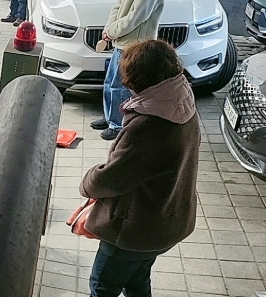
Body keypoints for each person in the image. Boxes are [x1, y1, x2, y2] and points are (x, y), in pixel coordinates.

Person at [80, 39, 200, 297]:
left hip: (134, 230)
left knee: (102, 287)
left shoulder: (148, 125)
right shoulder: (180, 98)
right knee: (136, 281)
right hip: (166, 221)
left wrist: (87, 181)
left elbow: (110, 179)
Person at [91, 0, 165, 141]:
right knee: (110, 82)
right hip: (121, 41)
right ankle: (109, 116)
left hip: (133, 45)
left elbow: (135, 17)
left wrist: (111, 32)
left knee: (121, 86)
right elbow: (119, 4)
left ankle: (117, 124)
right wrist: (109, 28)